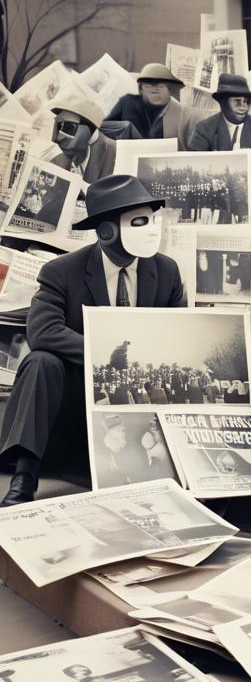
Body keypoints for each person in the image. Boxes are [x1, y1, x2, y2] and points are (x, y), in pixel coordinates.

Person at [0, 175, 186, 506]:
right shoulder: (62, 271)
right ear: (106, 231)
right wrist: (106, 358)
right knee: (40, 360)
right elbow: (43, 332)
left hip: (138, 394)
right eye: (139, 221)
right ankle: (23, 478)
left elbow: (176, 331)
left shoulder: (167, 271)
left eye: (152, 219)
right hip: (74, 392)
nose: (150, 229)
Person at [106, 62, 200, 146]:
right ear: (141, 90)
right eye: (148, 86)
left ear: (169, 90)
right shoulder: (127, 102)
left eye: (160, 86)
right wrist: (125, 128)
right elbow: (103, 128)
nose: (154, 91)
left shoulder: (180, 114)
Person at [185, 73, 251, 150]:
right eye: (237, 101)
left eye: (246, 101)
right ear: (223, 102)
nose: (243, 107)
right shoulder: (203, 130)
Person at [48, 94, 116, 184]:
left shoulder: (114, 155)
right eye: (58, 127)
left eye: (68, 128)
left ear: (91, 131)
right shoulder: (59, 161)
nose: (58, 138)